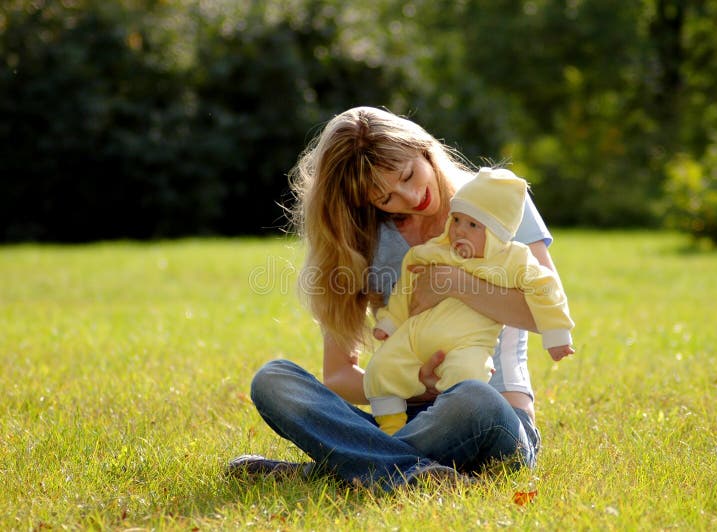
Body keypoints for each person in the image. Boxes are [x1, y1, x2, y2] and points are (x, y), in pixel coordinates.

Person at [228, 106, 575, 492]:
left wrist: (453, 282)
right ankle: (407, 471)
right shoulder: (363, 238)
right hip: (403, 413)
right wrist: (416, 387)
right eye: (385, 197)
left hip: (491, 413)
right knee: (274, 381)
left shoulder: (499, 196)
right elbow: (339, 374)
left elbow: (543, 310)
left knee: (473, 397)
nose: (409, 197)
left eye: (408, 175)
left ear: (422, 147)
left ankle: (342, 466)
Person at [365, 167, 574, 435]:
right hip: (414, 341)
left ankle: (391, 448)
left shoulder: (511, 260)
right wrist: (391, 322)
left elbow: (545, 287)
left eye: (473, 225)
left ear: (496, 233)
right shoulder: (437, 251)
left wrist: (557, 335)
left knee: (468, 382)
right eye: (456, 220)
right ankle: (392, 430)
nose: (460, 231)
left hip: (469, 345)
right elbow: (407, 282)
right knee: (381, 368)